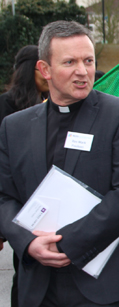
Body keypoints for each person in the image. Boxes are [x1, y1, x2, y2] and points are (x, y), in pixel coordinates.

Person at [0, 21, 119, 307]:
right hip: (36, 285)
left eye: (88, 61)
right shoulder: (14, 126)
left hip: (101, 283)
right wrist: (28, 243)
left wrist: (65, 243)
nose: (82, 72)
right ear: (44, 69)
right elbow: (4, 197)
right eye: (69, 62)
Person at [0, 44, 49, 307]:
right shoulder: (5, 107)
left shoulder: (50, 104)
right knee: (25, 272)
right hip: (18, 207)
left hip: (46, 205)